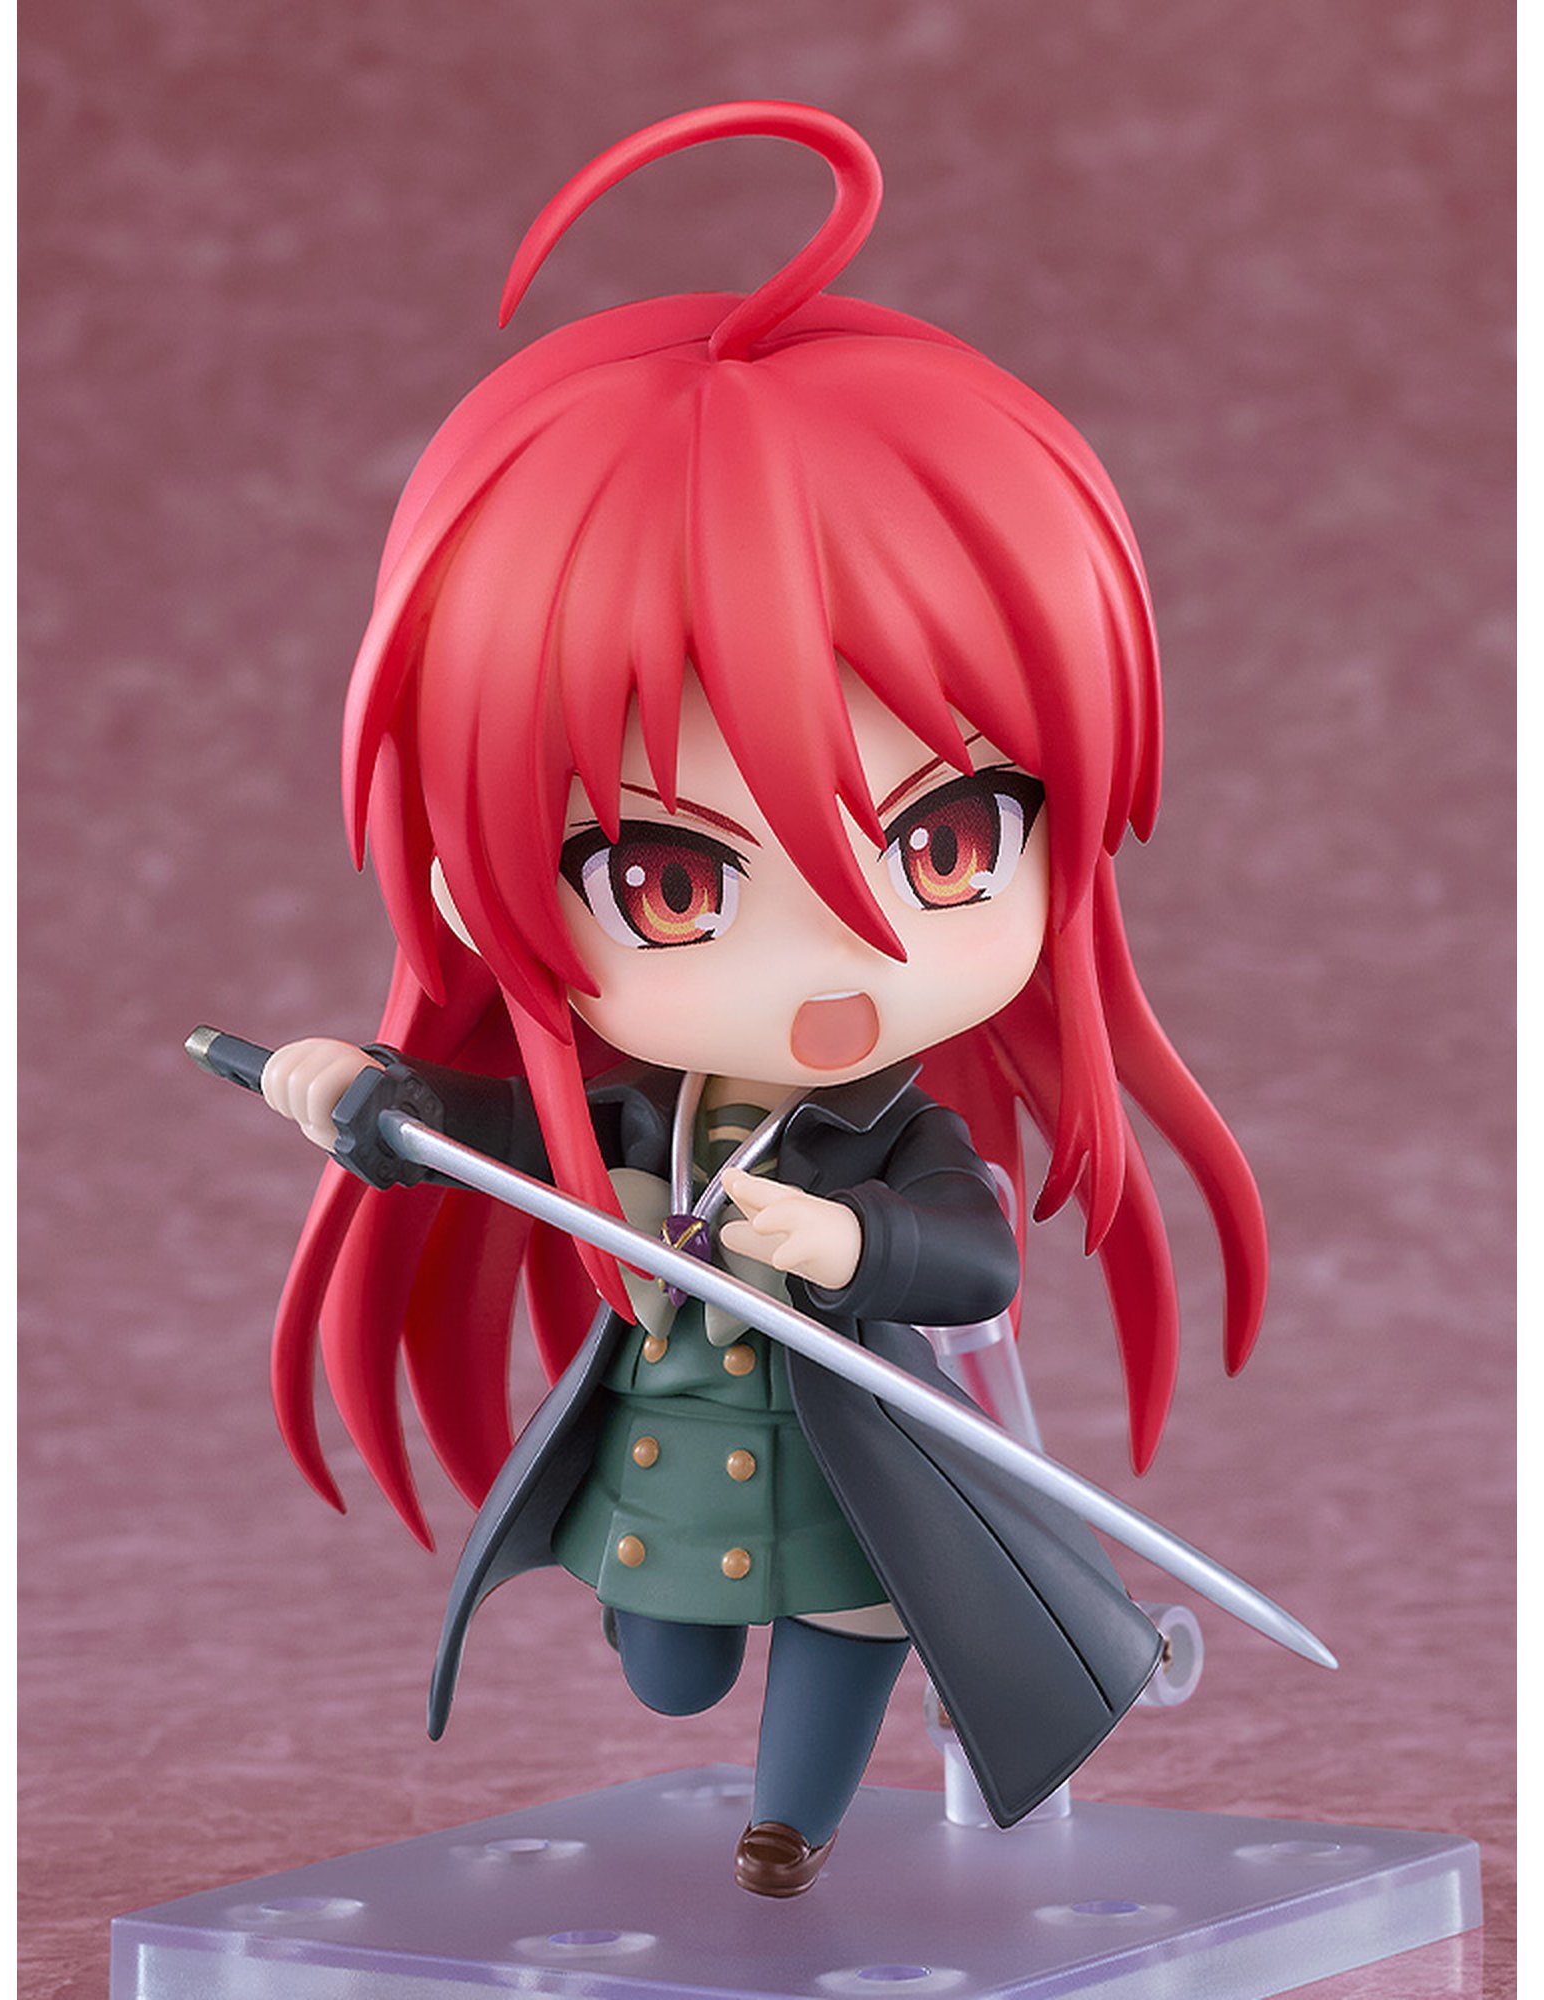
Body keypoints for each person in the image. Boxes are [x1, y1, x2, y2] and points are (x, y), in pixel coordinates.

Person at [256, 101, 1267, 1897]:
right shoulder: (633, 1113)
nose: (840, 960)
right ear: (468, 878)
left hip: (849, 1466)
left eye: (946, 843)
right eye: (675, 883)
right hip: (674, 1462)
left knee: (856, 1622)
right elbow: (497, 1133)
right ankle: (698, 1694)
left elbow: (971, 1257)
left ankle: (790, 1822)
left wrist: (847, 1243)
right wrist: (370, 1100)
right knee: (665, 1667)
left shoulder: (896, 1132)